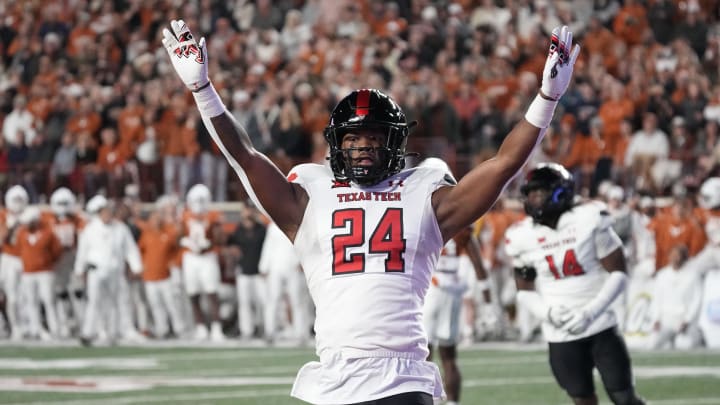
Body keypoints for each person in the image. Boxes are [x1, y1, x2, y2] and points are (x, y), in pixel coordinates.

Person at [163, 20, 579, 405]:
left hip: (402, 379)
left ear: (393, 142)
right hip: (333, 377)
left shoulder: (425, 194)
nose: (363, 145)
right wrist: (203, 91)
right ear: (337, 144)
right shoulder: (310, 195)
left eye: (375, 136)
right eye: (353, 137)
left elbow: (503, 165)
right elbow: (246, 156)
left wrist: (547, 98)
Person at [505, 162, 645, 405]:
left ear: (560, 191)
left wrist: (591, 312)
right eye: (531, 193)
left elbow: (620, 272)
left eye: (540, 192)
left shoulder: (588, 218)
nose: (534, 199)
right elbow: (524, 290)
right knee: (581, 399)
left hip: (600, 324)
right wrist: (547, 313)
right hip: (559, 332)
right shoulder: (521, 236)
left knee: (624, 398)